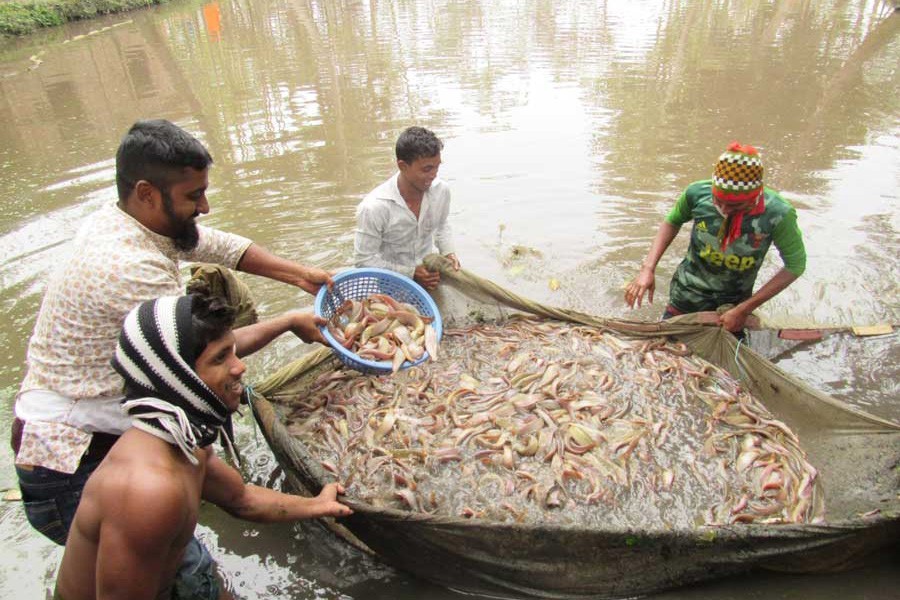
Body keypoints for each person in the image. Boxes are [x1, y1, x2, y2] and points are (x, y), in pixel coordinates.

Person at [11, 119, 333, 547]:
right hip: (70, 457)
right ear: (146, 193)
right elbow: (205, 358)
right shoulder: (129, 269)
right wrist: (289, 322)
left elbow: (211, 242)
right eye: (193, 196)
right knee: (159, 569)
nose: (204, 206)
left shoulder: (126, 221)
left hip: (104, 423)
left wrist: (298, 274)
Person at [53, 294, 354, 600]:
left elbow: (242, 499)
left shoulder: (182, 442)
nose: (240, 368)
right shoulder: (148, 493)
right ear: (177, 377)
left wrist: (318, 504)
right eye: (220, 358)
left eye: (233, 352)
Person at [624, 142, 806, 333]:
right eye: (719, 201)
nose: (725, 210)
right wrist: (648, 269)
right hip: (687, 293)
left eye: (735, 206)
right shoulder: (697, 194)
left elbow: (795, 265)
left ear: (755, 197)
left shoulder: (778, 214)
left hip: (734, 305)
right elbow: (672, 222)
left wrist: (744, 309)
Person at [354, 126, 460, 290]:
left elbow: (441, 226)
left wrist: (449, 253)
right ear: (403, 166)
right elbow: (363, 261)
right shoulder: (374, 207)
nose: (434, 175)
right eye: (427, 169)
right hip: (391, 284)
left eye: (437, 167)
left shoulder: (441, 191)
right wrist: (411, 273)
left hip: (431, 276)